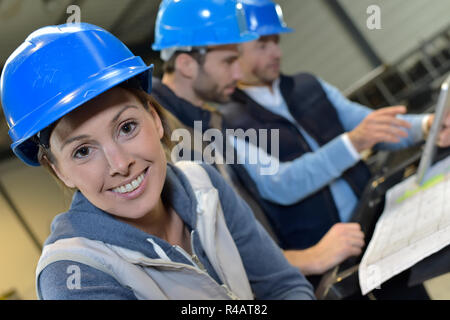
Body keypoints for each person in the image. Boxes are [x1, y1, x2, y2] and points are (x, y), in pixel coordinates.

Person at [0, 22, 315, 300]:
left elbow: (284, 286)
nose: (120, 164)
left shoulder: (203, 182)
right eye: (82, 151)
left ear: (155, 119)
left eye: (126, 127)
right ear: (58, 169)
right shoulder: (75, 273)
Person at [221, 0, 450, 297]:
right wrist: (353, 142)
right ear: (233, 51)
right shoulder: (229, 123)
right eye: (262, 45)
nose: (276, 52)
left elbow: (368, 125)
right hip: (328, 259)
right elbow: (280, 184)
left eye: (276, 40)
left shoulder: (308, 85)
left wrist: (427, 126)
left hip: (379, 232)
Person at [151, 0, 369, 278]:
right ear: (186, 64)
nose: (239, 74)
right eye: (229, 61)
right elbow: (205, 243)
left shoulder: (207, 121)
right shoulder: (164, 137)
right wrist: (303, 258)